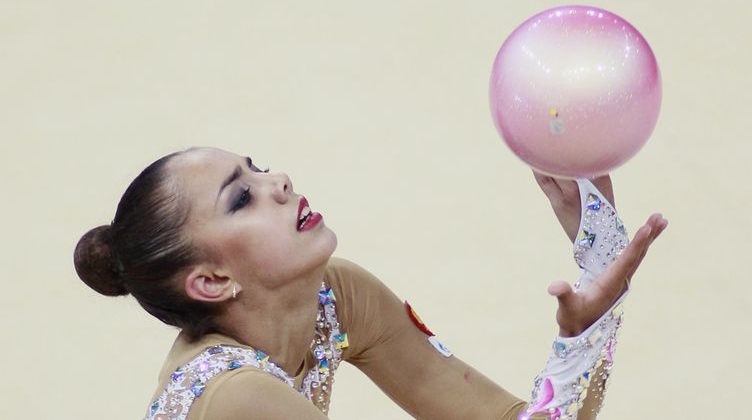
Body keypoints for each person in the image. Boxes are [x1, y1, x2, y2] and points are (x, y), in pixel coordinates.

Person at [73, 147, 667, 420]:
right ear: (211, 280)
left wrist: (596, 298)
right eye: (241, 197)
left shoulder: (334, 300)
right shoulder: (235, 397)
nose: (277, 180)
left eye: (256, 166)